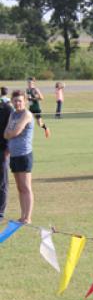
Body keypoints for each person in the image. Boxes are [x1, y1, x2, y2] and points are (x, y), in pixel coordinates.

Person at [3, 90, 34, 224]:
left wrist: (10, 133)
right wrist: (9, 133)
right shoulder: (13, 114)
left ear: (25, 101)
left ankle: (28, 217)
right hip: (14, 155)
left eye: (20, 100)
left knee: (26, 187)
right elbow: (6, 134)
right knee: (19, 187)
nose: (18, 103)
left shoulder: (26, 114)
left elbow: (15, 131)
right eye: (15, 100)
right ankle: (23, 216)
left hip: (24, 154)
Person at [0, 87, 13, 221]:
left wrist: (8, 150)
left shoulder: (7, 109)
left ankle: (0, 212)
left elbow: (11, 130)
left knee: (2, 182)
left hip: (2, 150)